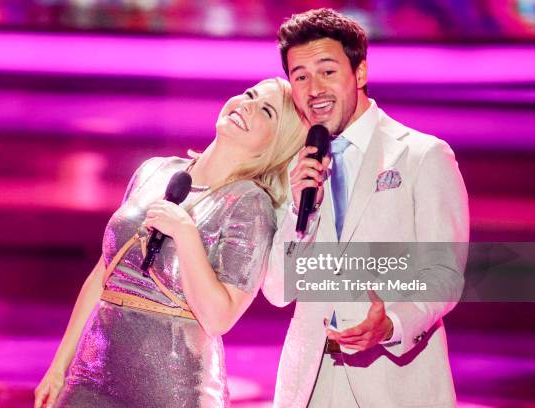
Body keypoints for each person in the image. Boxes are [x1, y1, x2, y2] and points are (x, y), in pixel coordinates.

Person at [33, 77, 305, 408]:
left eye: (266, 110)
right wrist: (60, 367)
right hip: (90, 377)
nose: (247, 104)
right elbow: (103, 275)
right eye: (249, 94)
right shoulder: (155, 171)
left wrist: (185, 232)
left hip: (173, 389)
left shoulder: (250, 204)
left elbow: (220, 318)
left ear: (277, 143)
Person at [262, 8, 469, 408]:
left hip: (395, 380)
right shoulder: (297, 168)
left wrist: (391, 323)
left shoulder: (421, 155)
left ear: (359, 74)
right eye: (300, 76)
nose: (314, 88)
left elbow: (444, 273)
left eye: (327, 71)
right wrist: (295, 219)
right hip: (310, 384)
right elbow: (277, 290)